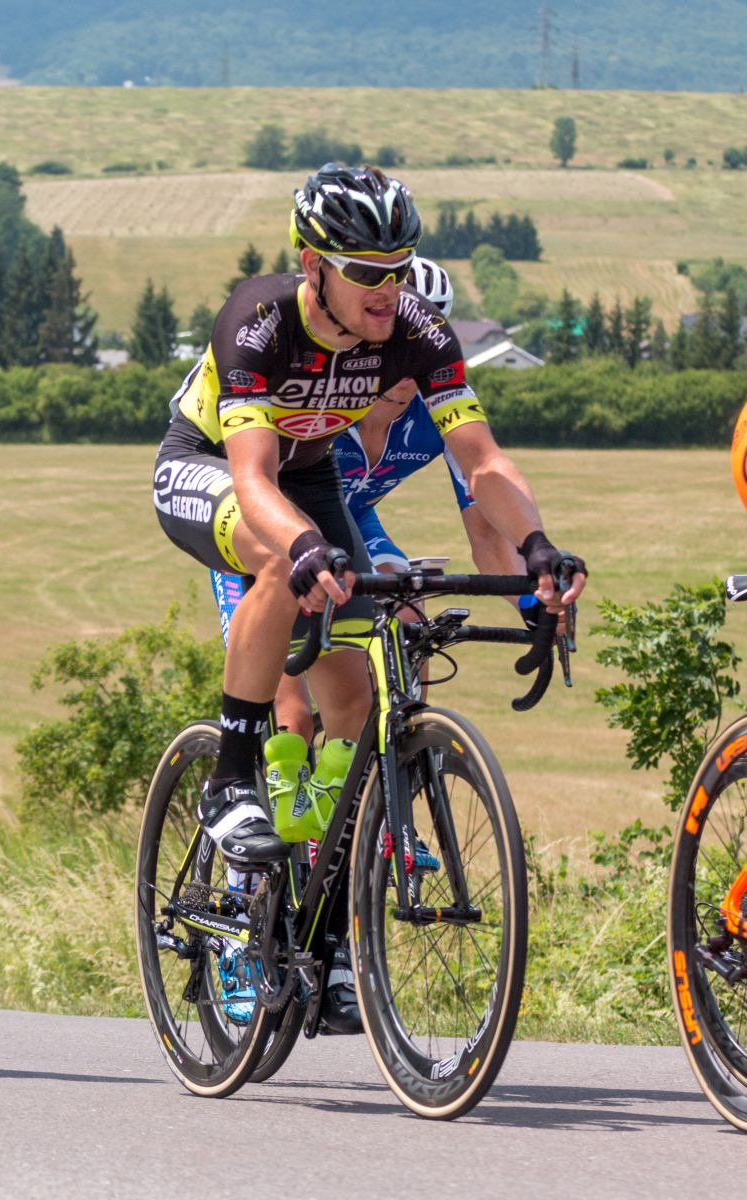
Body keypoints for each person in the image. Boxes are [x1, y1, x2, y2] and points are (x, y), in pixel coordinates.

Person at [153, 164, 586, 1025]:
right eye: (367, 272)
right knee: (280, 569)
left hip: (311, 480)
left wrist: (538, 549)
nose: (388, 288)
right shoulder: (259, 322)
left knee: (354, 698)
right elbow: (253, 477)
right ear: (313, 266)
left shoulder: (416, 330)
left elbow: (481, 463)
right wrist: (304, 547)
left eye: (399, 267)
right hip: (210, 469)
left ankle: (319, 920)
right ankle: (230, 779)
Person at [209, 255, 537, 738]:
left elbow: (487, 536)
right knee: (291, 711)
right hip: (272, 528)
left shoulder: (435, 416)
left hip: (352, 525)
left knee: (409, 615)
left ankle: (399, 759)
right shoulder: (326, 397)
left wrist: (532, 602)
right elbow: (256, 482)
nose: (402, 367)